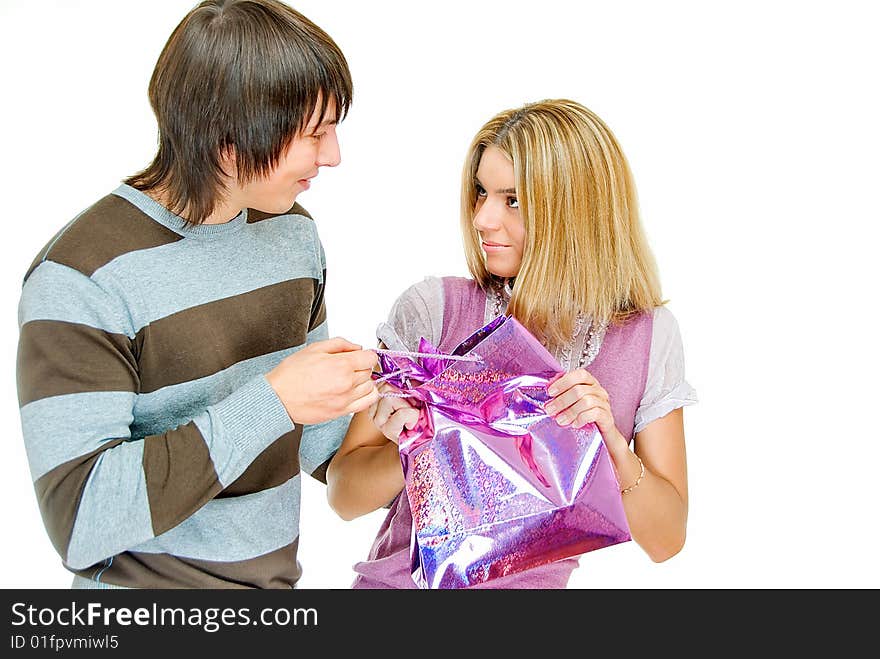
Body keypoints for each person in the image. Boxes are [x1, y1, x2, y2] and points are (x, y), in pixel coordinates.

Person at [15, 0, 378, 589]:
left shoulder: (292, 234)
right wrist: (273, 401)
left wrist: (396, 414)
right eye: (314, 134)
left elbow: (324, 451)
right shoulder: (82, 277)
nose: (333, 155)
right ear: (227, 139)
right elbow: (80, 517)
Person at [326, 99, 697, 588]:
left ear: (577, 210)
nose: (482, 218)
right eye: (481, 193)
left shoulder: (644, 337)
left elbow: (666, 541)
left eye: (512, 200)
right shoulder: (436, 312)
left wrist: (609, 444)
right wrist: (419, 444)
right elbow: (343, 495)